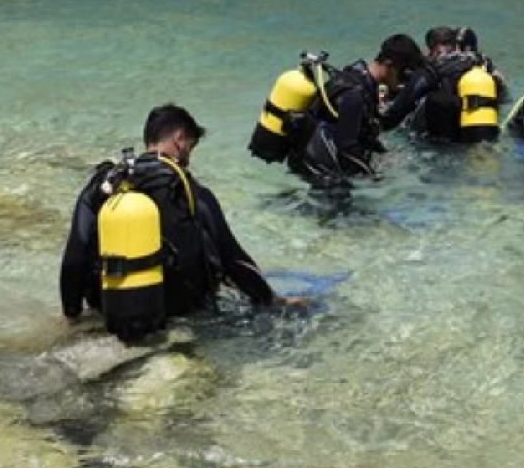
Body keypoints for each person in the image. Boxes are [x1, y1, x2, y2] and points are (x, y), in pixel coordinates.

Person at [60, 103, 293, 335]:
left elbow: (74, 256)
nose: (188, 161)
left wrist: (72, 315)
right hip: (181, 316)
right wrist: (272, 300)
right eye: (190, 149)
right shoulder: (187, 190)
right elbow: (233, 259)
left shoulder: (108, 184)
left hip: (112, 310)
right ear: (179, 139)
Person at [289, 33, 426, 188]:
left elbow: (364, 127)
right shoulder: (354, 95)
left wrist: (382, 152)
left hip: (315, 160)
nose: (404, 83)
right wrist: (374, 176)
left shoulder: (361, 78)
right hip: (318, 170)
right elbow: (347, 147)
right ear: (389, 64)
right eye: (405, 74)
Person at [384, 25, 508, 143]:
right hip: (475, 132)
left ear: (434, 50)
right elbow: (502, 93)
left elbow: (399, 109)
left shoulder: (431, 70)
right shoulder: (480, 63)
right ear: (456, 46)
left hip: (437, 141)